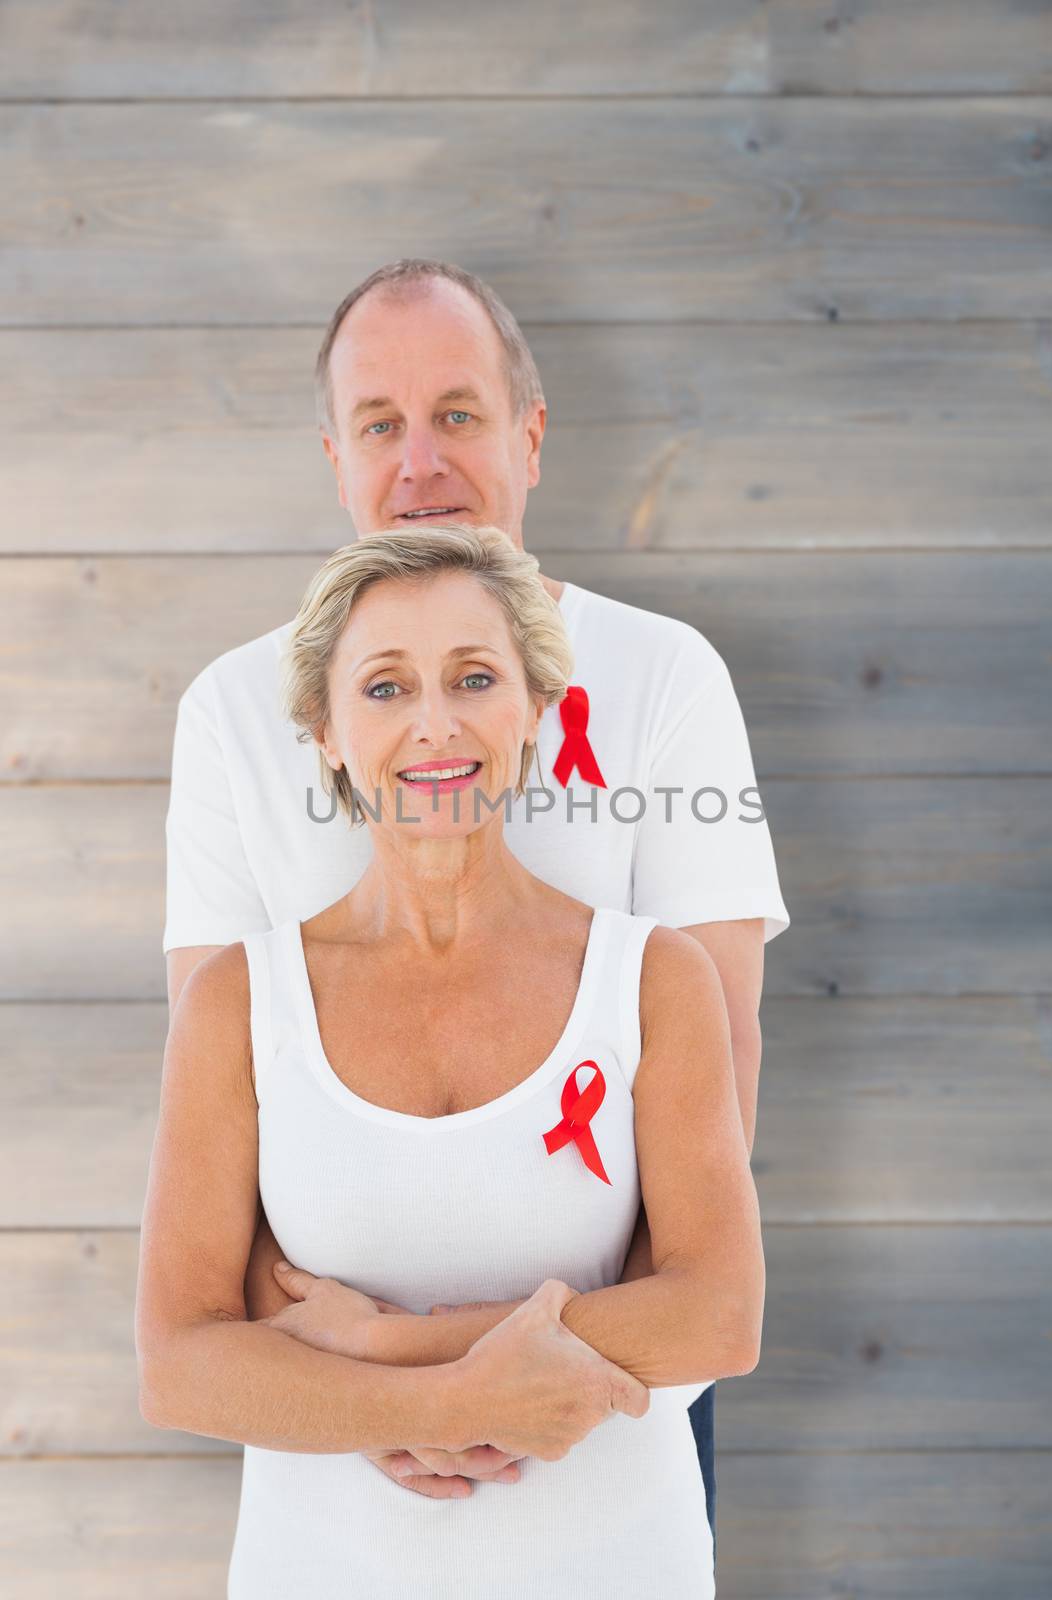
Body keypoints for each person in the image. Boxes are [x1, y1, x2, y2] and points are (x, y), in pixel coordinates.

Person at [162, 258, 790, 1549]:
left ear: (531, 435)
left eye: (457, 414)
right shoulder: (231, 711)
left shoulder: (662, 678)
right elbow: (223, 1100)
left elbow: (717, 1042)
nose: (420, 463)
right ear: (335, 453)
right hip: (334, 1383)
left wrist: (500, 1371)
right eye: (380, 425)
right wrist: (378, 1386)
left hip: (609, 1363)